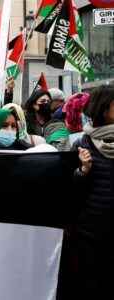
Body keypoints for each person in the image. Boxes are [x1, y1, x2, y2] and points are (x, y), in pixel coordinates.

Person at [72, 85, 114, 299]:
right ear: (103, 109)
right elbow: (70, 190)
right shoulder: (82, 143)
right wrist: (82, 171)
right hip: (92, 232)